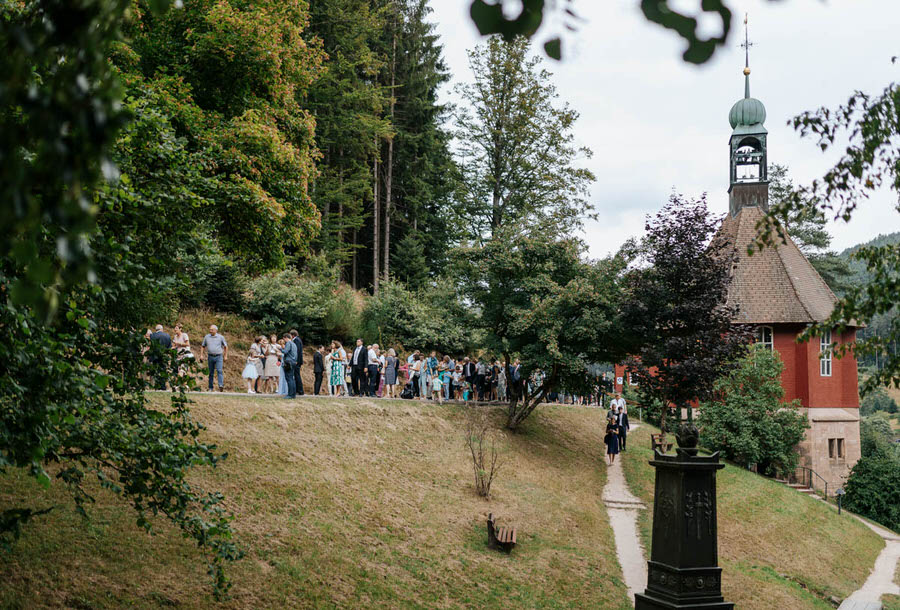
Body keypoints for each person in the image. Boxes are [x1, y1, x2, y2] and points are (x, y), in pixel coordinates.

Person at [200, 325, 228, 392]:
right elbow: (203, 346)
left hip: (219, 356)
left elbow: (225, 346)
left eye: (212, 330)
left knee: (219, 370)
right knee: (210, 372)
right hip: (210, 356)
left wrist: (225, 355)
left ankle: (220, 385)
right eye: (210, 329)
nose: (210, 331)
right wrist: (201, 355)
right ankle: (210, 387)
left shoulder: (221, 337)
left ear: (216, 330)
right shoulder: (207, 337)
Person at [280, 332, 297, 399]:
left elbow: (285, 351)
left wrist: (280, 349)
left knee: (288, 378)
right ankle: (293, 394)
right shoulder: (294, 344)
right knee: (292, 379)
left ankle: (290, 394)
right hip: (293, 362)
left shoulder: (288, 343)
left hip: (288, 362)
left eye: (284, 339)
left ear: (286, 338)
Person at [290, 329, 305, 396]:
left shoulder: (297, 340)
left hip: (297, 361)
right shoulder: (296, 340)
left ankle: (300, 390)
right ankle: (297, 390)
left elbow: (297, 351)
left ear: (293, 335)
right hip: (296, 360)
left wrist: (296, 360)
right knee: (296, 375)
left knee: (297, 375)